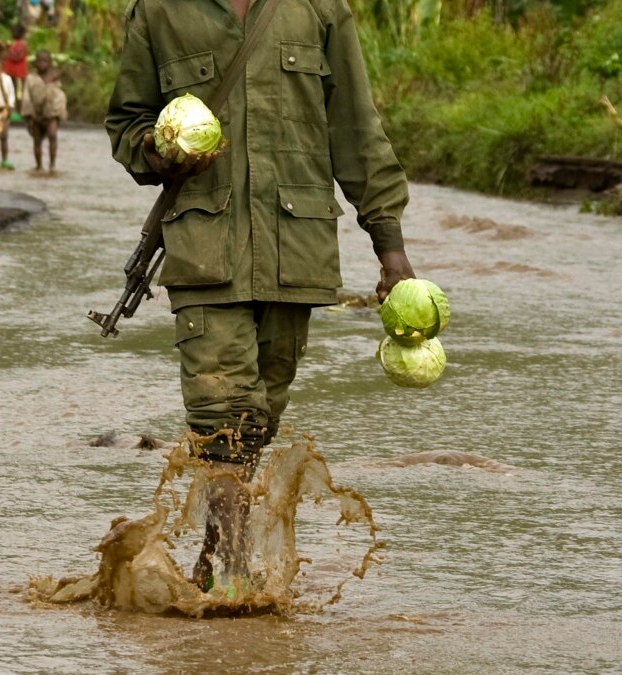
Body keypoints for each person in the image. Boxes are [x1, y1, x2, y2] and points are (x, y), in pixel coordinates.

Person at [105, 0, 417, 595]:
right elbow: (126, 125)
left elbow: (356, 128)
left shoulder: (321, 10)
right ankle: (232, 569)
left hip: (293, 252)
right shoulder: (161, 12)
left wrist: (390, 246)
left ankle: (214, 551)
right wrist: (157, 150)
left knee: (257, 420)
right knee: (223, 415)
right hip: (203, 250)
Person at [21, 49, 65, 173]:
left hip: (51, 114)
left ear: (49, 62)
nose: (42, 64)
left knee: (52, 135)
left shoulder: (55, 78)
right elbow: (26, 97)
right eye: (39, 61)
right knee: (37, 140)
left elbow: (59, 96)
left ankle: (52, 165)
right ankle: (39, 166)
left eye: (45, 61)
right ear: (35, 63)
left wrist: (59, 114)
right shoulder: (31, 78)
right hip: (35, 113)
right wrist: (29, 115)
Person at [2, 23, 28, 118]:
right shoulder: (13, 43)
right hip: (10, 73)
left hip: (19, 74)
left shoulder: (22, 44)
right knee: (10, 92)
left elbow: (18, 56)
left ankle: (19, 112)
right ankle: (11, 111)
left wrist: (8, 51)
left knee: (19, 94)